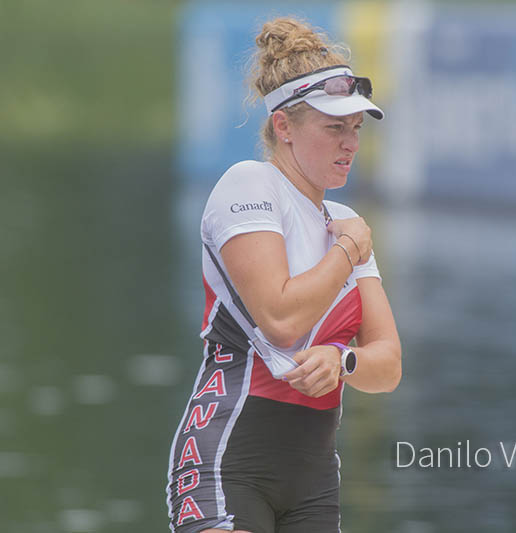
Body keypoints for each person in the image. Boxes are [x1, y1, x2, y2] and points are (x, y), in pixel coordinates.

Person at [166, 16, 401, 533]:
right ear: (284, 127)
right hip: (229, 460)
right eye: (334, 128)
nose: (351, 144)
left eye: (356, 129)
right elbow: (280, 320)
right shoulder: (250, 185)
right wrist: (347, 250)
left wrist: (343, 359)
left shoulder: (346, 222)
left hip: (315, 481)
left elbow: (388, 366)